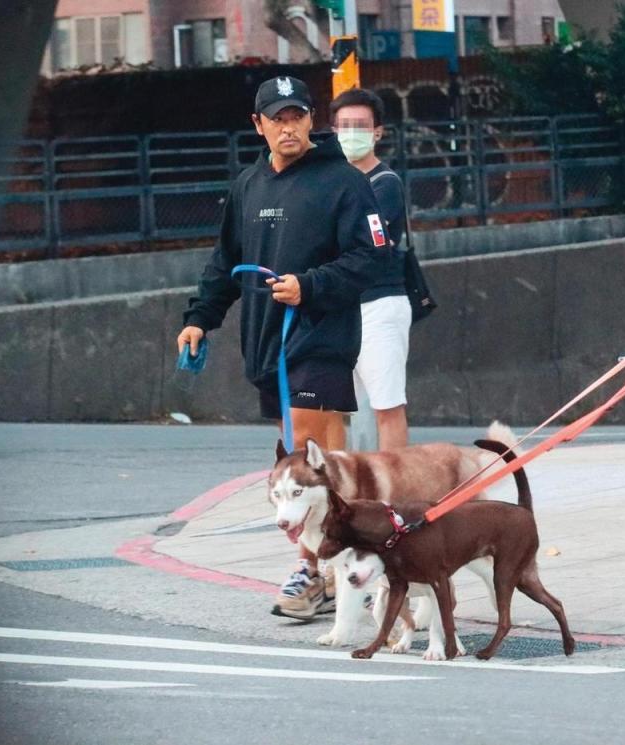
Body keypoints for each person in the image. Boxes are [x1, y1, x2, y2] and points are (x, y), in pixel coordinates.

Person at [177, 75, 390, 620]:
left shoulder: (343, 182)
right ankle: (350, 565)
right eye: (277, 117)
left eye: (296, 115)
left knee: (313, 472)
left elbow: (371, 260)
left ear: (310, 119)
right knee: (299, 471)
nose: (287, 126)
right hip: (265, 348)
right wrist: (200, 319)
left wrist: (311, 286)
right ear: (259, 125)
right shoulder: (249, 184)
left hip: (320, 341)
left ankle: (316, 572)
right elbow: (224, 262)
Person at [327, 88, 411, 451]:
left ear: (378, 132)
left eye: (360, 125)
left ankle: (397, 496)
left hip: (379, 305)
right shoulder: (331, 182)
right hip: (339, 307)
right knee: (332, 407)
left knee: (386, 406)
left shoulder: (386, 184)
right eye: (343, 126)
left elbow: (365, 242)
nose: (351, 133)